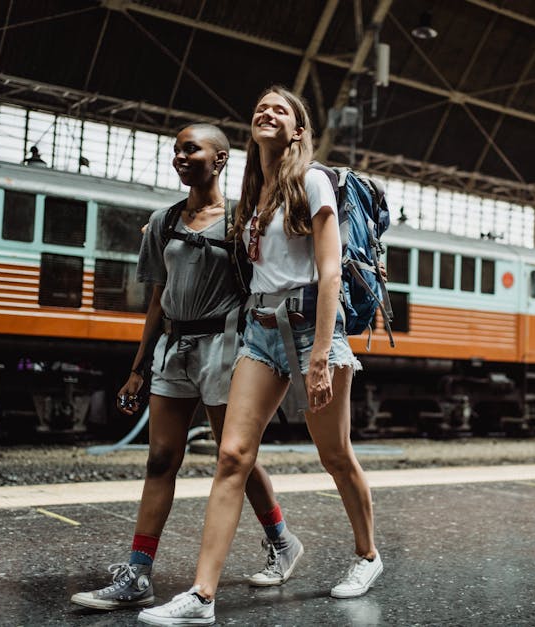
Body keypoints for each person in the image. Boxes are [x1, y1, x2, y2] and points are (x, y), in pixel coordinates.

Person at [139, 87, 381, 626]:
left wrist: (320, 353)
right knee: (232, 456)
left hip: (310, 328)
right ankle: (202, 596)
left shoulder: (311, 181)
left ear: (297, 130)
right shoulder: (256, 191)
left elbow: (330, 270)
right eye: (260, 108)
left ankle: (367, 555)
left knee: (335, 454)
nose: (266, 112)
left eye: (281, 110)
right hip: (260, 331)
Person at [71, 123, 303, 612]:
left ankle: (281, 540)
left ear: (219, 160)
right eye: (176, 149)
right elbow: (157, 298)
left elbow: (277, 269)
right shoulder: (163, 221)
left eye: (191, 149)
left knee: (232, 455)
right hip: (174, 349)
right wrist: (138, 366)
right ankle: (137, 574)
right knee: (160, 459)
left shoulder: (243, 220)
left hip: (225, 345)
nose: (179, 156)